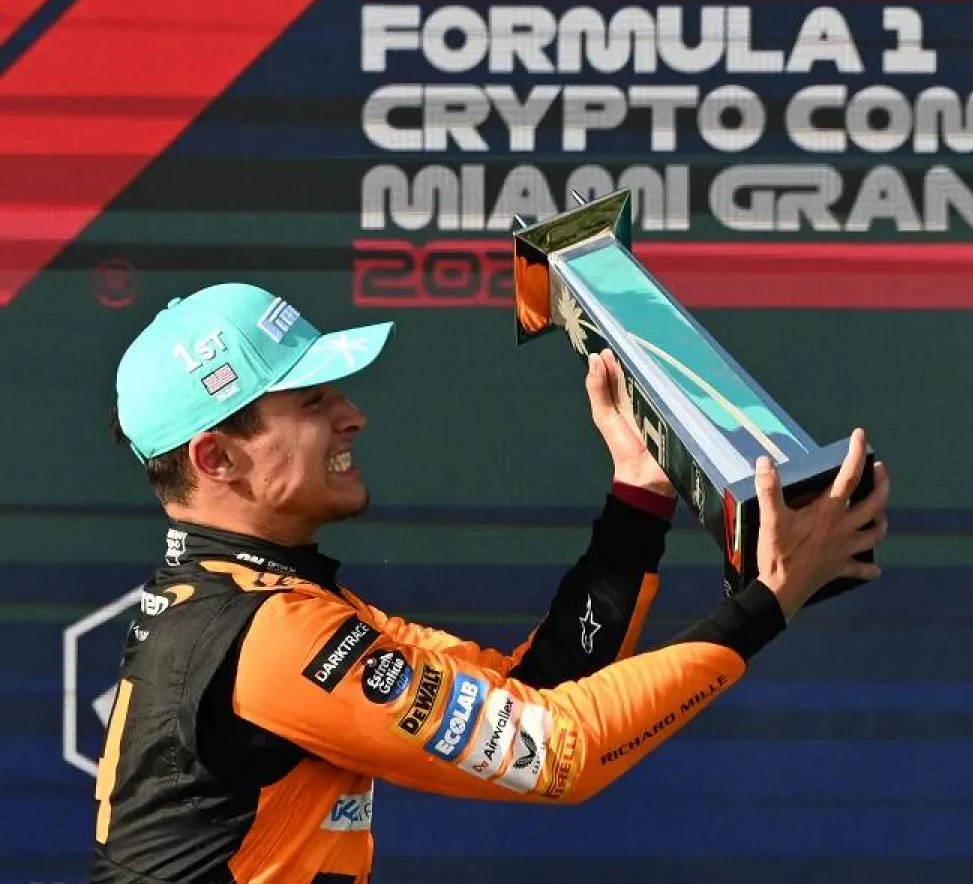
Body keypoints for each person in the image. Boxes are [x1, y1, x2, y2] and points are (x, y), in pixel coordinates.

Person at [91, 282, 888, 883]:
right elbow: (562, 747)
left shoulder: (263, 604)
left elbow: (532, 689)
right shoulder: (267, 636)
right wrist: (769, 598)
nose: (352, 415)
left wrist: (639, 494)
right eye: (313, 401)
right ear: (217, 458)